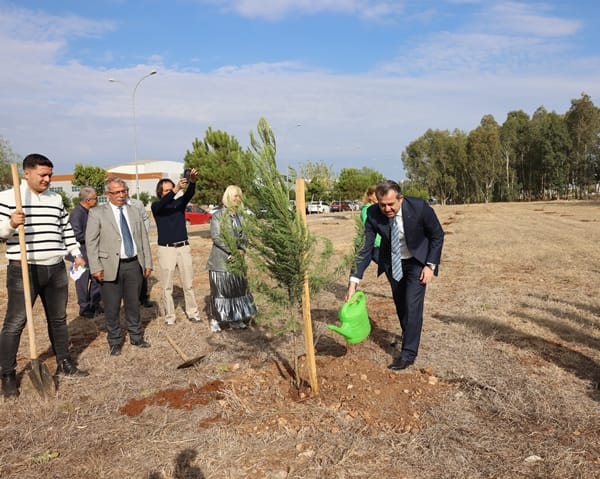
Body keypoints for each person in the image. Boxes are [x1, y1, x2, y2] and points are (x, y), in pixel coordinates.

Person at [0, 154, 89, 398]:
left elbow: (65, 229)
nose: (47, 179)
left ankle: (64, 361)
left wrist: (75, 252)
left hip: (56, 267)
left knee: (58, 319)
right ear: (26, 173)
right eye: (42, 175)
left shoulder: (56, 198)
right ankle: (7, 374)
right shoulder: (8, 198)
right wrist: (11, 223)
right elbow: (0, 233)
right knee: (15, 323)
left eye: (50, 174)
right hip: (24, 268)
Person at [346, 180, 444, 370]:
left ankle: (408, 353)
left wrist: (430, 266)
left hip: (418, 261)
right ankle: (410, 335)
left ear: (401, 198)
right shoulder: (374, 214)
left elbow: (437, 235)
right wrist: (353, 283)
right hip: (393, 262)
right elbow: (365, 249)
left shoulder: (419, 207)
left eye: (391, 204)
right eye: (382, 204)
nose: (387, 209)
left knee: (412, 304)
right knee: (401, 304)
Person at [86, 177, 153, 356]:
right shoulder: (97, 213)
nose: (121, 195)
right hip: (109, 267)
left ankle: (136, 337)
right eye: (116, 192)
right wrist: (95, 268)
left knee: (133, 304)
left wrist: (147, 262)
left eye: (124, 191)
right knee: (112, 306)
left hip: (133, 265)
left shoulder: (135, 211)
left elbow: (143, 239)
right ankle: (115, 341)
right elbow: (90, 243)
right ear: (108, 194)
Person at [151, 170, 201, 325]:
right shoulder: (156, 206)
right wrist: (175, 190)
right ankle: (170, 316)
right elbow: (164, 202)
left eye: (170, 189)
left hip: (183, 247)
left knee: (188, 283)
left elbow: (189, 194)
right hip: (166, 249)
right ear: (160, 193)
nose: (169, 193)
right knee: (166, 286)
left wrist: (192, 181)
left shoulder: (179, 204)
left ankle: (193, 313)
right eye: (166, 190)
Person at [206, 185, 256, 332]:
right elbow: (216, 237)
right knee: (220, 292)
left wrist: (241, 250)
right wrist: (233, 251)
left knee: (237, 290)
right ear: (228, 197)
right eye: (235, 196)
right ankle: (216, 320)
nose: (237, 199)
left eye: (239, 196)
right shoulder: (218, 216)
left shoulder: (241, 217)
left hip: (237, 261)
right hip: (220, 261)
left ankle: (236, 319)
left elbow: (245, 236)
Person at [68, 186, 103, 318]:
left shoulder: (90, 211)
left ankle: (94, 303)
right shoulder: (77, 214)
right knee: (82, 282)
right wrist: (95, 236)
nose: (97, 200)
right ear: (88, 200)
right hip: (81, 253)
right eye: (95, 198)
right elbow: (76, 235)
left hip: (92, 252)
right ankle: (84, 308)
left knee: (96, 279)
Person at [128, 194, 153, 308]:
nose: (122, 194)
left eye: (125, 190)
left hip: (139, 241)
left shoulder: (137, 204)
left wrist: (143, 233)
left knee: (142, 268)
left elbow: (145, 219)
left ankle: (143, 297)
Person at [360, 185, 381, 264]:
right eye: (375, 195)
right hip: (375, 245)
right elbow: (369, 227)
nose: (378, 197)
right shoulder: (366, 209)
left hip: (382, 244)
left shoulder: (378, 208)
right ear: (370, 196)